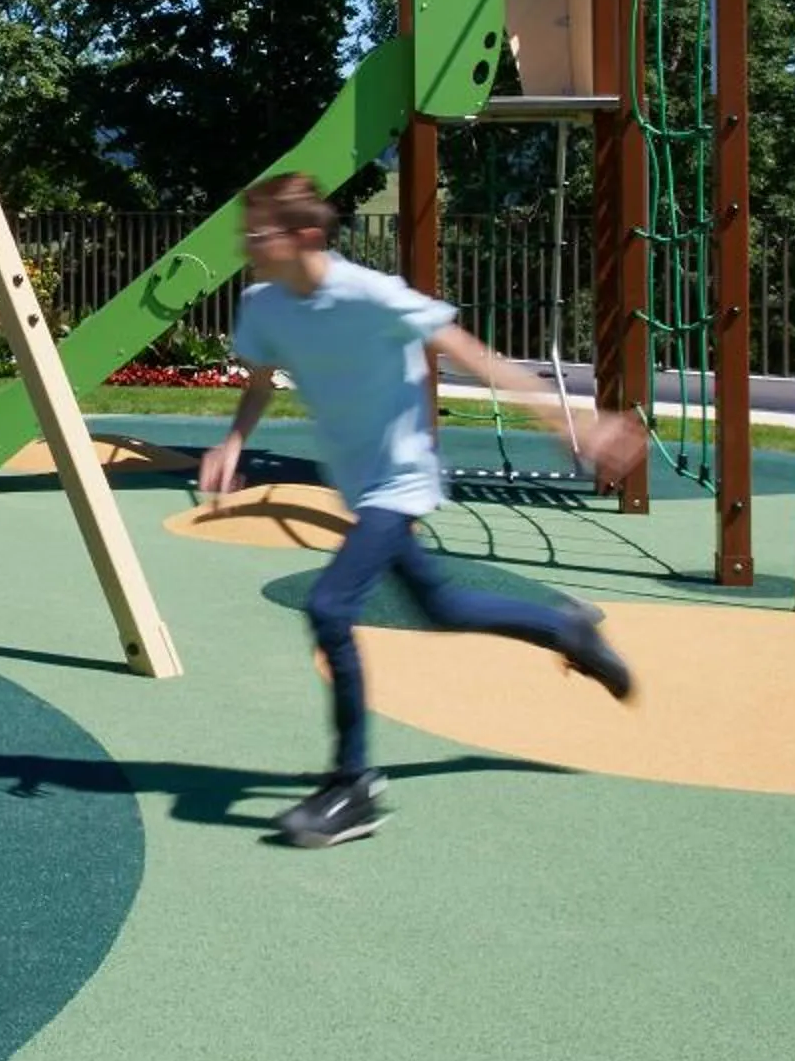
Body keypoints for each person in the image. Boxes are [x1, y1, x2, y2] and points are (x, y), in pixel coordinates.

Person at [202, 173, 638, 850]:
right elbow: (260, 382)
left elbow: (471, 354)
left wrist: (569, 421)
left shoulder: (371, 295)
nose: (247, 245)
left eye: (259, 234)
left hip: (399, 480)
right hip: (356, 482)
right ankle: (566, 631)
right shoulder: (263, 305)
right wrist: (233, 440)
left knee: (330, 608)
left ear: (305, 236)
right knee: (444, 607)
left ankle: (353, 786)